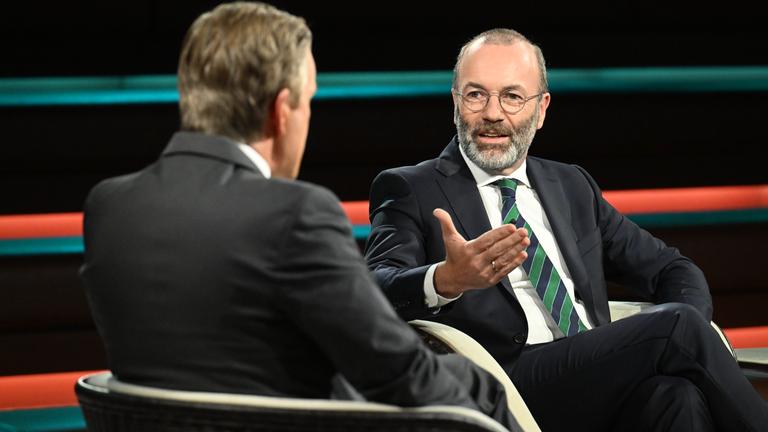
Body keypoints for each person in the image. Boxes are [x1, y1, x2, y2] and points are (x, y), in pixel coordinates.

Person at [78, 4, 523, 431]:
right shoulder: (296, 214)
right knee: (474, 383)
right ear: (281, 110)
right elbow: (398, 371)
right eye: (308, 101)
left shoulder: (108, 206)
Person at [364, 28, 768, 431]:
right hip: (505, 382)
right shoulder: (410, 188)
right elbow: (375, 286)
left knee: (674, 394)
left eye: (512, 96)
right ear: (455, 103)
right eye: (476, 94)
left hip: (593, 372)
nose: (492, 113)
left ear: (541, 110)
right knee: (675, 328)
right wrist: (445, 279)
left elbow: (672, 269)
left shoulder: (571, 185)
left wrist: (691, 339)